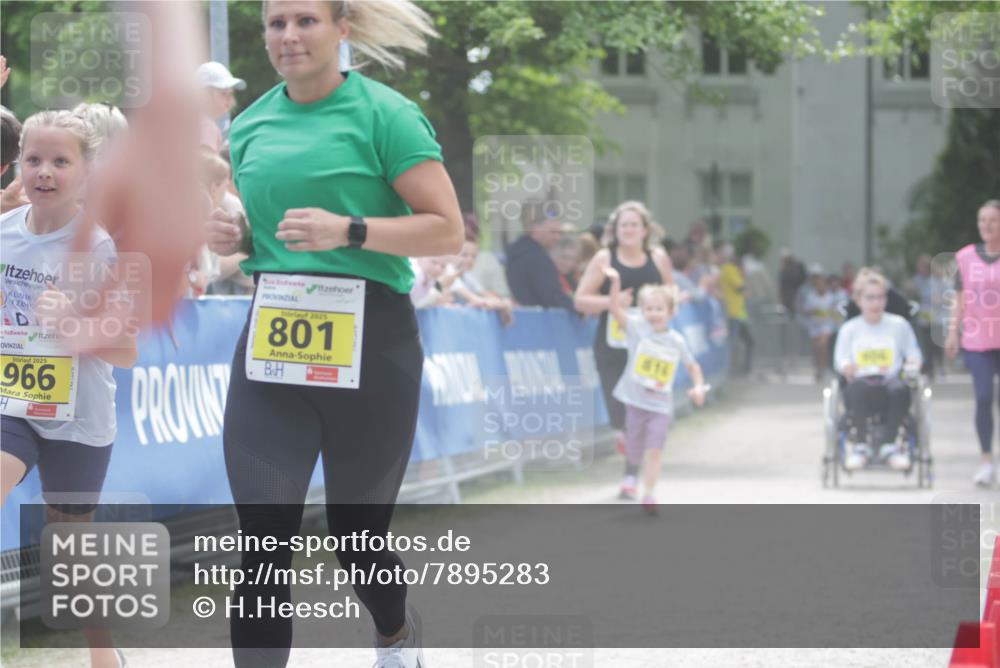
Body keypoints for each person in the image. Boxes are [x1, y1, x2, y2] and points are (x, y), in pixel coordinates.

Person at [207, 2, 462, 667]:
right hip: (274, 344)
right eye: (276, 23)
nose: (288, 36)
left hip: (373, 345)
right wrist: (232, 236)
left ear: (342, 29)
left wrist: (349, 229)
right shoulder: (251, 123)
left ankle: (395, 636)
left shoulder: (386, 115)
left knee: (358, 538)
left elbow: (446, 228)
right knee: (263, 539)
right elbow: (256, 233)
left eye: (305, 21)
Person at [0, 110, 137, 668]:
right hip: (11, 403)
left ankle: (104, 655)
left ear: (86, 172)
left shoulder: (99, 249)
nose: (45, 171)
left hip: (78, 414)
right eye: (34, 159)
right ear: (18, 165)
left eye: (61, 161)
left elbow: (126, 352)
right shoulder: (3, 232)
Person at [574, 201, 673, 459]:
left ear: (645, 230)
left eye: (633, 225)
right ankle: (628, 442)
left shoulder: (658, 258)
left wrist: (660, 310)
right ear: (615, 229)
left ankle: (638, 453)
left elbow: (672, 294)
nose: (628, 230)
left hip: (650, 345)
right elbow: (580, 299)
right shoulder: (604, 258)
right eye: (623, 225)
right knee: (618, 406)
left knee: (647, 404)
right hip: (612, 344)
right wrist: (612, 302)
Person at [605, 270, 706, 514]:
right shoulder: (637, 329)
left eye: (659, 309)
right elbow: (614, 310)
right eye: (648, 309)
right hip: (635, 401)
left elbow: (693, 366)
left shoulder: (676, 341)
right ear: (641, 311)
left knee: (655, 450)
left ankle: (649, 493)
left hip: (660, 406)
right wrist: (616, 284)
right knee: (634, 448)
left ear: (671, 313)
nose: (653, 314)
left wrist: (699, 386)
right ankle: (628, 450)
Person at [834, 269, 922, 471]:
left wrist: (912, 363)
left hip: (890, 381)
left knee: (900, 389)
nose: (875, 303)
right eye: (870, 298)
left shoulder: (899, 325)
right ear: (858, 300)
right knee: (857, 388)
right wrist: (846, 366)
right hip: (861, 382)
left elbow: (912, 352)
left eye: (880, 297)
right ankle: (861, 447)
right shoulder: (850, 329)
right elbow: (841, 358)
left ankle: (889, 447)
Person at [946, 199, 1000, 487]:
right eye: (982, 220)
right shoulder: (965, 257)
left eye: (992, 220)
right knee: (982, 398)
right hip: (978, 339)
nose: (986, 226)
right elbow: (960, 299)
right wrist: (953, 332)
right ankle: (986, 461)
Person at [505, 211, 575, 309]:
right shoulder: (535, 256)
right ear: (535, 228)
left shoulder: (521, 249)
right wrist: (577, 307)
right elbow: (551, 295)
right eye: (552, 232)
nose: (557, 237)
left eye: (559, 233)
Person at [795, 264, 838, 382]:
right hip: (814, 325)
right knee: (815, 348)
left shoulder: (830, 297)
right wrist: (813, 312)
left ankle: (824, 368)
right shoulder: (810, 296)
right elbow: (804, 310)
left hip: (826, 325)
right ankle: (817, 368)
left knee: (823, 345)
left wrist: (830, 314)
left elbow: (835, 312)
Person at [718, 243, 753, 375]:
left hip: (738, 313)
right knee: (732, 343)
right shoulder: (729, 269)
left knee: (746, 341)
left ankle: (739, 369)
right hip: (733, 312)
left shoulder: (728, 269)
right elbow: (741, 288)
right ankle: (728, 370)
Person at [197, 60, 246, 154]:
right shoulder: (207, 126)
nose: (230, 99)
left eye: (231, 93)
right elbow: (206, 160)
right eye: (224, 93)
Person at [778, 248, 806, 315]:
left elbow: (803, 279)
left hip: (797, 294)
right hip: (787, 297)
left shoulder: (797, 266)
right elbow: (781, 285)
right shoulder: (783, 269)